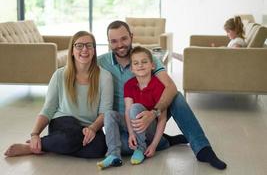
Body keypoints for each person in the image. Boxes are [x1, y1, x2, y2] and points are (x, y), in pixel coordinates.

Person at [97, 20, 227, 170]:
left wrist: (153, 113)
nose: (120, 45)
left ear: (131, 36)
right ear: (108, 42)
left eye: (124, 39)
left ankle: (202, 148)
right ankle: (164, 141)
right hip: (126, 125)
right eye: (114, 41)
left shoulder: (147, 58)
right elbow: (77, 68)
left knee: (176, 96)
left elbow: (170, 87)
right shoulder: (101, 62)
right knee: (124, 147)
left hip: (152, 117)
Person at [4, 31, 113, 158]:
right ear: (72, 51)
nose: (84, 49)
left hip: (89, 126)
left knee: (99, 148)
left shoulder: (105, 76)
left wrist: (93, 129)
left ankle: (46, 146)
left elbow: (105, 112)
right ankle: (35, 146)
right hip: (64, 122)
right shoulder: (59, 75)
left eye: (89, 45)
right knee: (69, 137)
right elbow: (48, 109)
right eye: (79, 45)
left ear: (94, 50)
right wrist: (35, 134)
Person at [97, 46, 187, 169]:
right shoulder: (129, 85)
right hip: (135, 125)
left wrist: (154, 146)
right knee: (109, 114)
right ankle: (114, 155)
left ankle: (141, 148)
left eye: (144, 62)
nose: (140, 65)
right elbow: (127, 112)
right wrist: (131, 134)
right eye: (136, 63)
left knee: (136, 108)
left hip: (151, 127)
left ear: (152, 65)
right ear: (132, 69)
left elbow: (162, 119)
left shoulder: (159, 86)